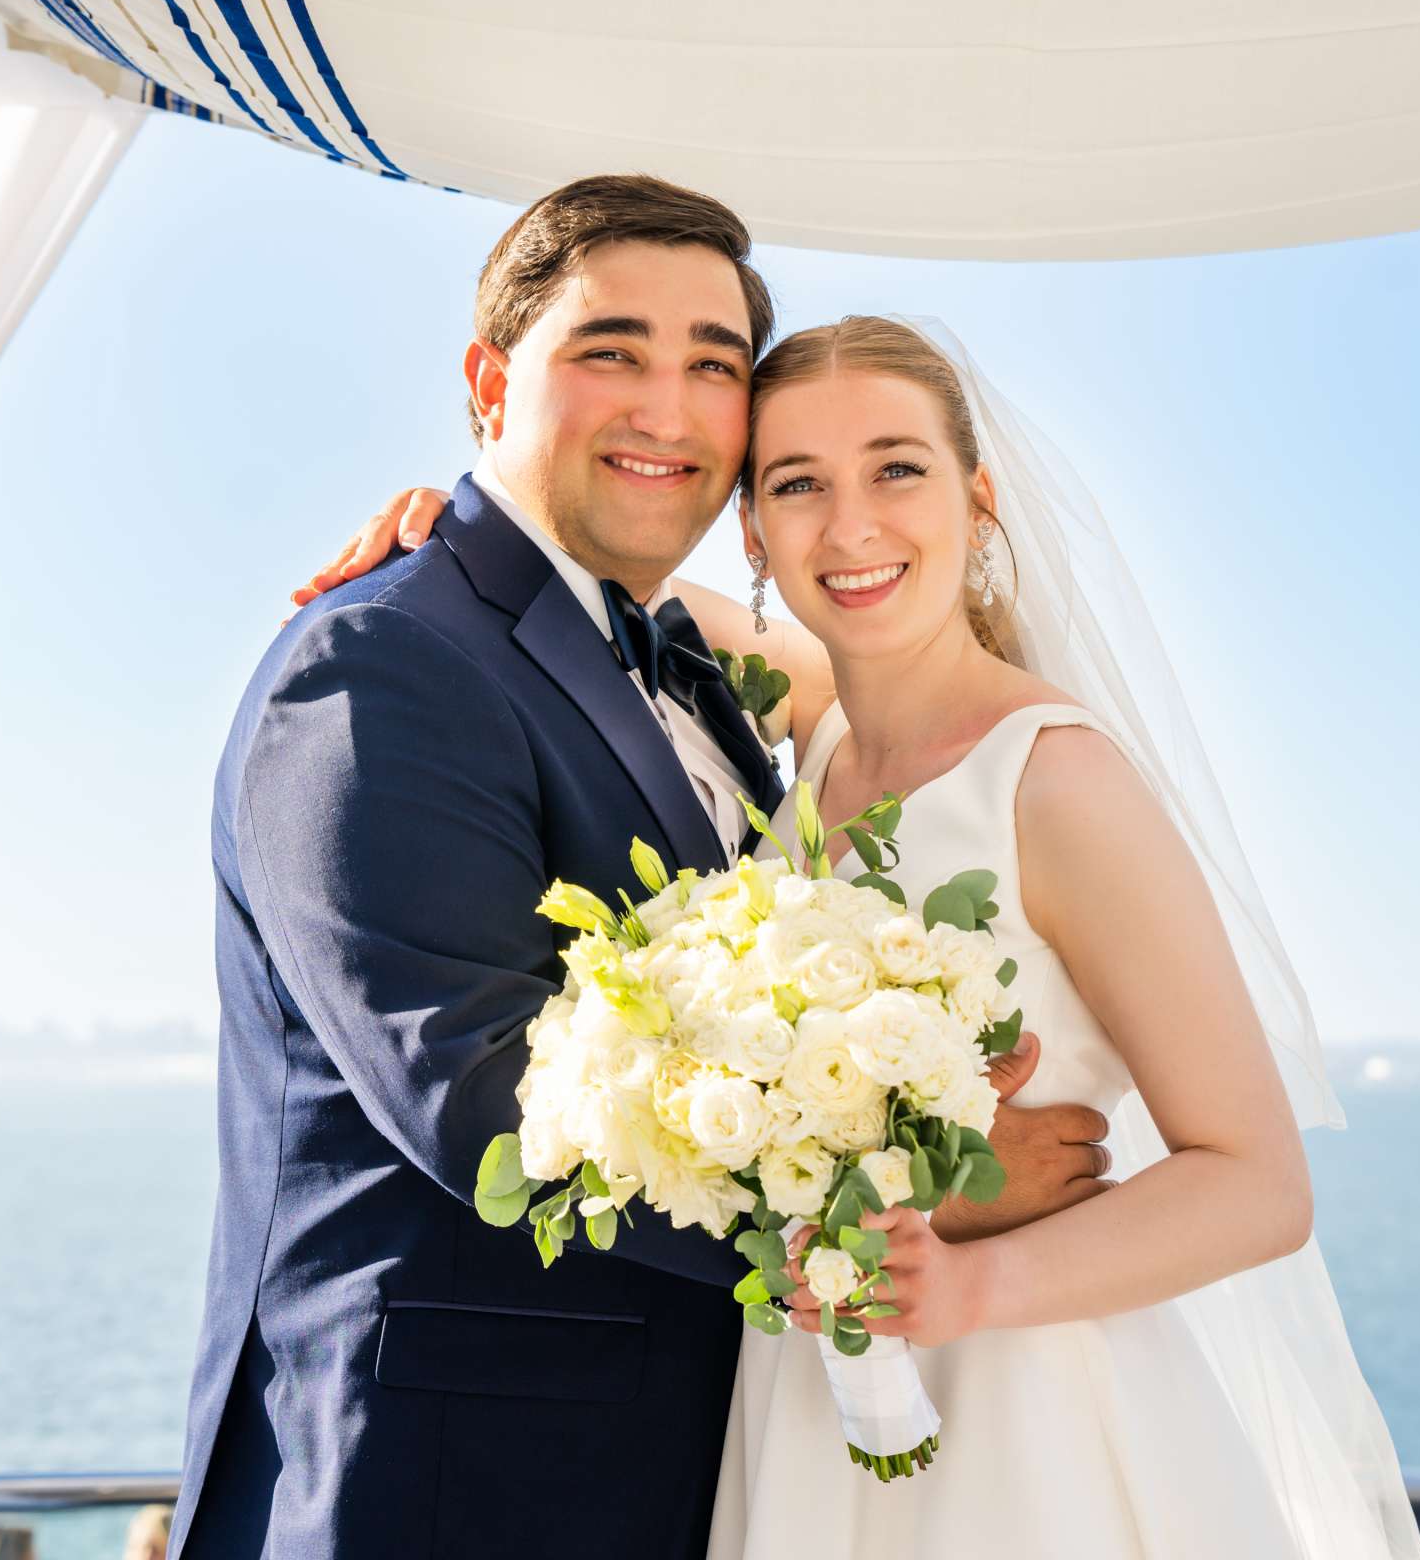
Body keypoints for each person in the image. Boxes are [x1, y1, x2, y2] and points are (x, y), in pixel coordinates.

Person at [304, 311, 1420, 1555]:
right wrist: (457, 524)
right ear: (754, 530)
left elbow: (1258, 1186)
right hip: (803, 1411)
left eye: (898, 467)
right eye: (798, 484)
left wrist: (962, 1275)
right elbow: (593, 581)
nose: (851, 527)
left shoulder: (1054, 782)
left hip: (1019, 1409)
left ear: (978, 497)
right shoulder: (822, 724)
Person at [174, 176, 1112, 1560]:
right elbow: (479, 1100)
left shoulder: (684, 657)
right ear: (495, 379)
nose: (668, 410)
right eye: (611, 352)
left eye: (713, 368)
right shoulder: (378, 664)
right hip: (443, 1493)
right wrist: (927, 1190)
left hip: (683, 1475)